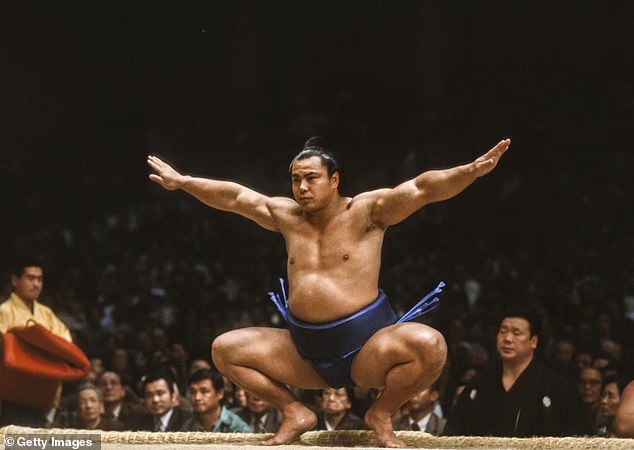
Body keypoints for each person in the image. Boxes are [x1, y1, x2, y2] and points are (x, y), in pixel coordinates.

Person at [148, 136, 510, 447]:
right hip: (305, 353)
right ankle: (294, 411)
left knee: (432, 345)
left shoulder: (367, 211)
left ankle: (381, 413)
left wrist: (470, 171)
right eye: (295, 180)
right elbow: (235, 198)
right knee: (224, 350)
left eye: (311, 179)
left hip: (367, 351)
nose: (302, 188)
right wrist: (184, 182)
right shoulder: (286, 215)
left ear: (334, 179)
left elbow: (422, 189)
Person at [444, 307, 590, 437]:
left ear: (533, 341)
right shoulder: (478, 384)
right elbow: (453, 434)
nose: (507, 339)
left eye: (516, 333)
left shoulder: (556, 387)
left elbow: (577, 437)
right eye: (503, 331)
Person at [0, 257, 72, 427]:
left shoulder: (46, 313)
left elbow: (66, 344)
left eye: (39, 279)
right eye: (30, 278)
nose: (36, 284)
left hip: (44, 394)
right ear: (15, 281)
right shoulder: (3, 312)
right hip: (11, 395)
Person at [180, 368, 251, 432]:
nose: (197, 397)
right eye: (192, 392)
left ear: (220, 393)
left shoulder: (237, 427)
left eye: (204, 391)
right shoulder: (187, 426)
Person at [54, 384, 125, 430]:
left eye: (93, 400)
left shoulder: (116, 429)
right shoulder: (71, 431)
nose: (88, 406)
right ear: (77, 409)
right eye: (83, 402)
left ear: (101, 407)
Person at [576, 367, 603, 432]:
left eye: (593, 383)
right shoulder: (570, 414)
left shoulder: (608, 416)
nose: (586, 387)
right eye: (582, 382)